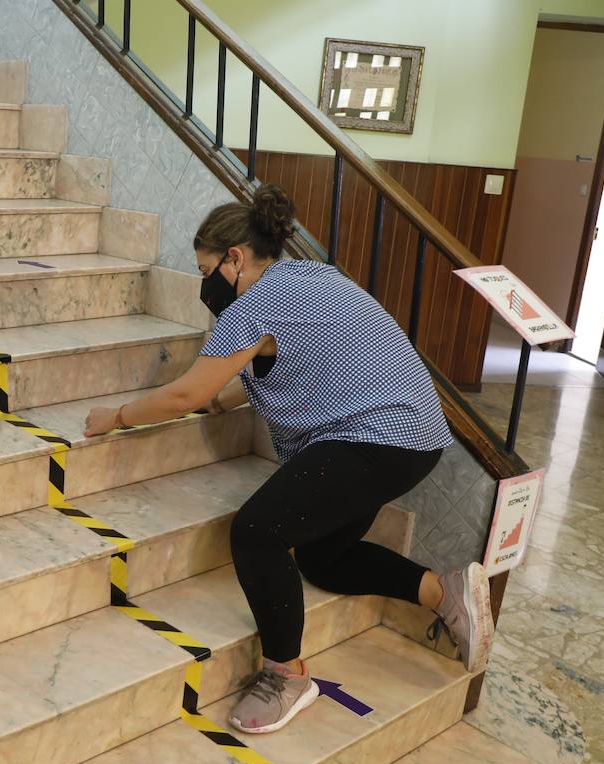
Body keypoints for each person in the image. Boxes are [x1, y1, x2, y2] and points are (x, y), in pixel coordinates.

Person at [84, 185, 492, 735]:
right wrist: (216, 395)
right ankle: (445, 595)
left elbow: (184, 395)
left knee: (258, 532)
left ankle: (288, 676)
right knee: (324, 557)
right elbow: (263, 378)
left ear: (235, 258)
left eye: (208, 271)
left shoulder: (255, 305)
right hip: (415, 438)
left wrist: (117, 416)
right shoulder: (315, 278)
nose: (208, 287)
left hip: (373, 437)